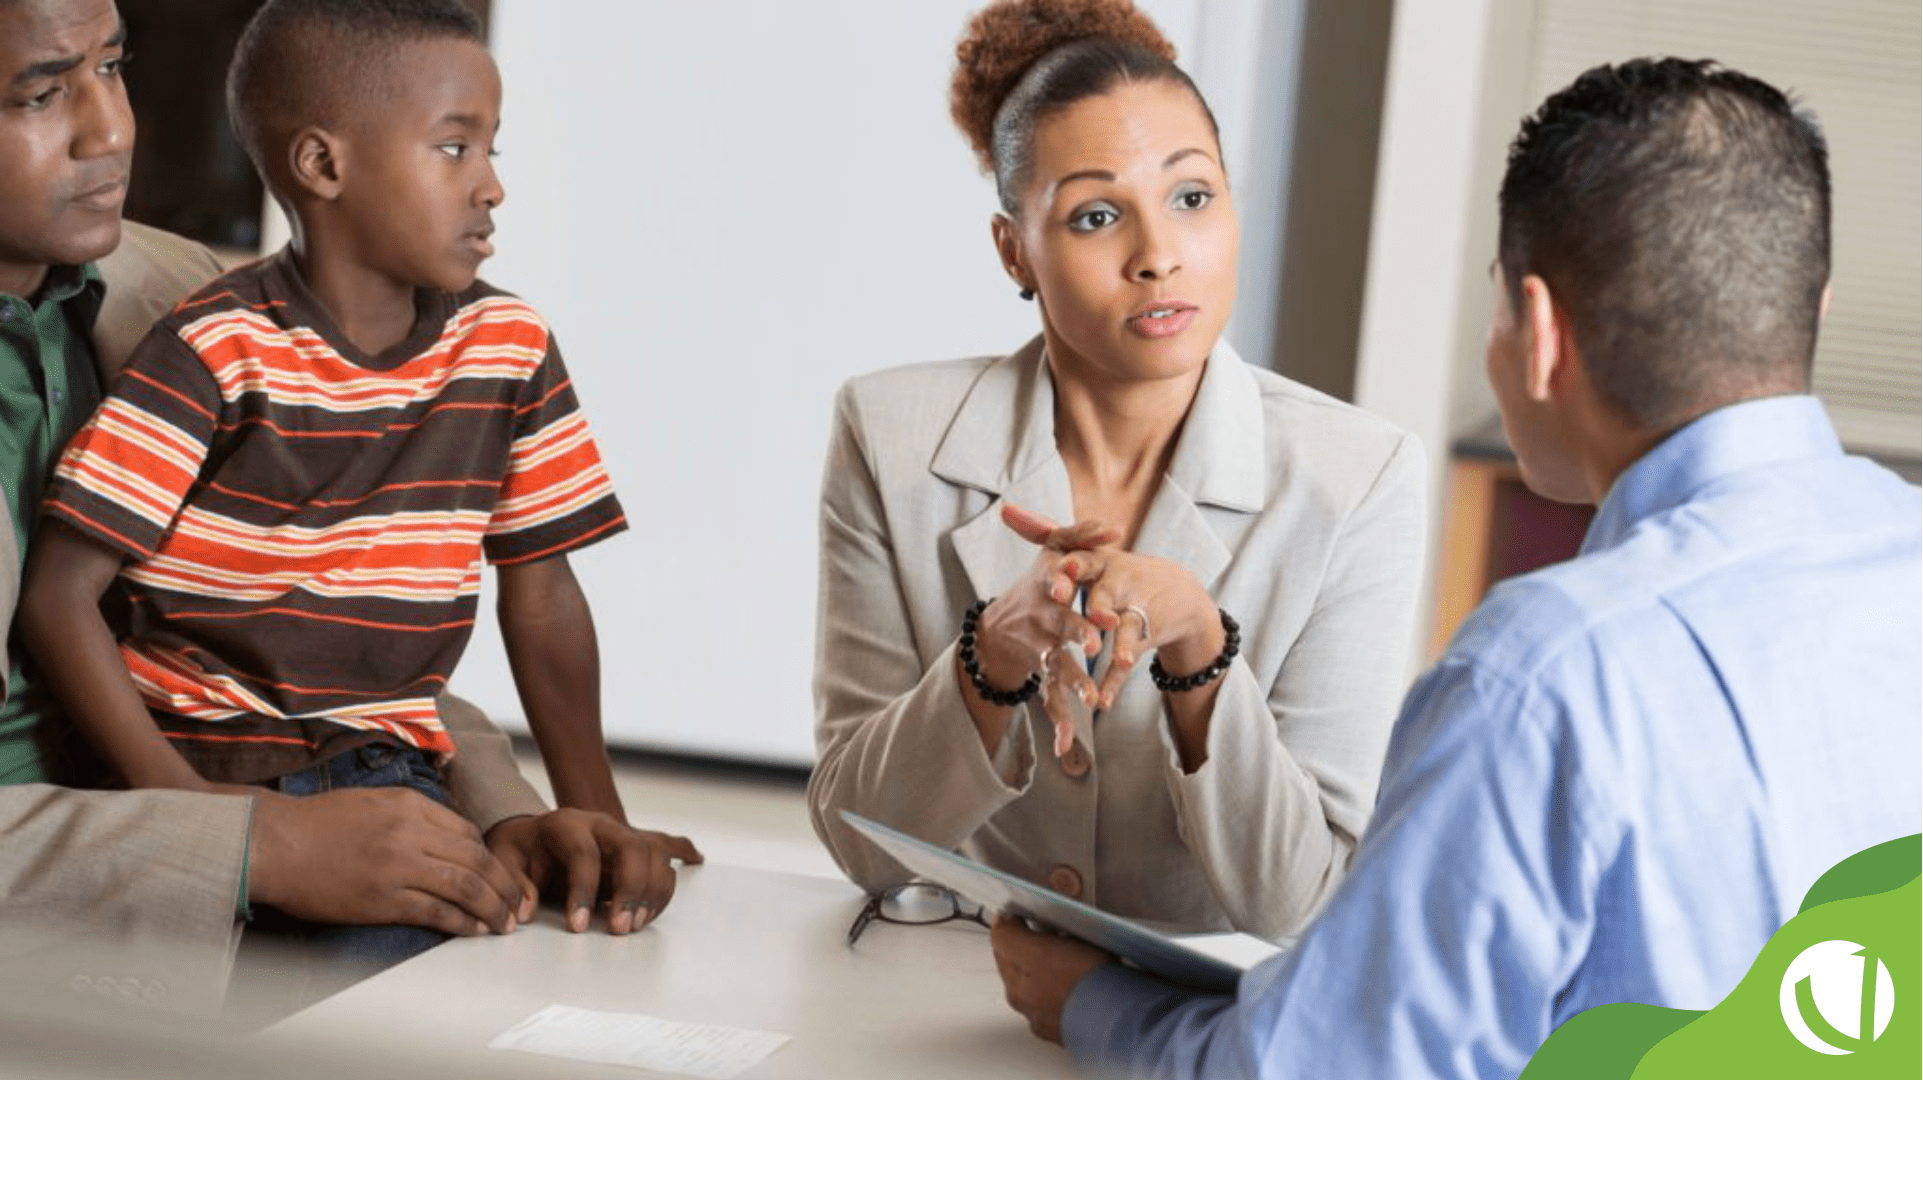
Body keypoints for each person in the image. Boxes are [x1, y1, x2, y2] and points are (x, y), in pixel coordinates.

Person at [990, 57, 1923, 1078]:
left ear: (1540, 334)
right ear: (1814, 307)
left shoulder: (1545, 676)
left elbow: (1321, 1094)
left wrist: (1094, 1004)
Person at [0, 0, 697, 1016]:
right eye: (42, 90)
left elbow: (317, 622)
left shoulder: (179, 291)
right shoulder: (217, 342)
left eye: (115, 66)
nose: (114, 130)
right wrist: (243, 842)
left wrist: (512, 813)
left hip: (264, 806)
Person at [808, 0, 1424, 942]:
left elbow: (1305, 905)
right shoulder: (888, 434)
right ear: (1016, 249)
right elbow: (863, 847)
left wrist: (1197, 647)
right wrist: (992, 654)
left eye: (1191, 197)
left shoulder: (1359, 477)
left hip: (1199, 1039)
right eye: (1097, 215)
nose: (1158, 256)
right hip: (951, 993)